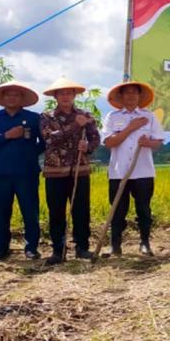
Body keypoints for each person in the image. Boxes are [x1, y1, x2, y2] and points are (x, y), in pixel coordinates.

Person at [40, 77, 101, 264]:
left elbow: (95, 139)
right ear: (55, 96)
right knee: (56, 212)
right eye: (61, 93)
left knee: (81, 211)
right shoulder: (46, 116)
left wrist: (87, 146)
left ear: (74, 95)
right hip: (55, 172)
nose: (65, 96)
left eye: (69, 93)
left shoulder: (86, 115)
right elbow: (50, 139)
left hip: (79, 171)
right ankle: (58, 251)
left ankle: (82, 248)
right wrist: (76, 125)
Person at [101, 81, 165, 256]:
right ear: (121, 97)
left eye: (134, 93)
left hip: (143, 171)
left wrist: (148, 143)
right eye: (126, 93)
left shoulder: (149, 116)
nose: (130, 96)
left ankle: (145, 243)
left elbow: (158, 142)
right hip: (118, 171)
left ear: (139, 96)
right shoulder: (112, 117)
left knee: (143, 209)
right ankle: (115, 245)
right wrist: (131, 128)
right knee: (117, 210)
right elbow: (109, 142)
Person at [0, 81, 44, 261]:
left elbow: (44, 143)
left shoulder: (34, 118)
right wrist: (6, 136)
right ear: (2, 98)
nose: (12, 98)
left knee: (30, 212)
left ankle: (31, 248)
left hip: (26, 172)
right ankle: (0, 249)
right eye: (8, 95)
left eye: (16, 95)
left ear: (22, 99)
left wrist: (30, 154)